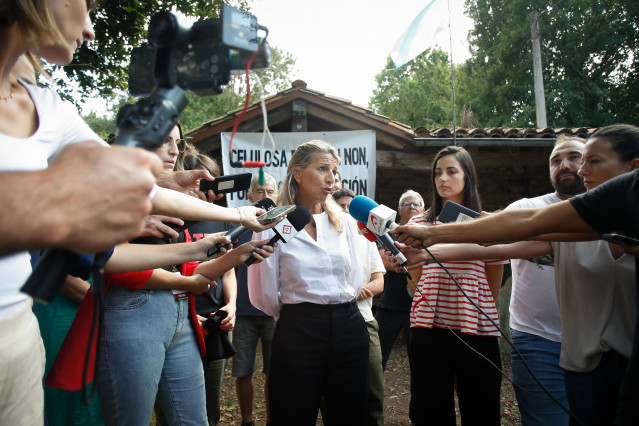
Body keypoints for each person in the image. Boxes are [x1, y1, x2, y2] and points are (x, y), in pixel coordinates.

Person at [392, 124, 639, 426]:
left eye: (592, 160)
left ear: (633, 168)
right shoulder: (582, 219)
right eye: (562, 160)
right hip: (577, 356)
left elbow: (524, 226)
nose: (579, 169)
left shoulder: (606, 207)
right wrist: (427, 249)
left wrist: (432, 237)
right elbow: (500, 243)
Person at [248, 140, 370, 425]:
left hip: (348, 325)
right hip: (298, 328)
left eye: (335, 170)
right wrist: (295, 317)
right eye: (322, 168)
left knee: (349, 413)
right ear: (298, 173)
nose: (331, 178)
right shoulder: (271, 223)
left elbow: (354, 278)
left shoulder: (345, 222)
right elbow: (262, 289)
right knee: (292, 413)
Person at [407, 146, 506, 426]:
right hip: (428, 325)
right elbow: (416, 281)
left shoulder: (488, 223)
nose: (443, 179)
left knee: (481, 406)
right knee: (430, 408)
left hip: (477, 324)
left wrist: (475, 305)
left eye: (451, 171)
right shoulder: (419, 222)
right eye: (437, 173)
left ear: (468, 176)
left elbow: (493, 280)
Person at [505, 135, 585, 426]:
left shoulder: (609, 210)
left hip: (597, 342)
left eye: (573, 157)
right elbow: (491, 241)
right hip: (536, 340)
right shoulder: (524, 209)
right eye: (555, 160)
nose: (564, 165)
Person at [332, 187, 386, 426]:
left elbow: (379, 282)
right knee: (334, 394)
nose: (346, 211)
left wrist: (359, 290)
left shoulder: (367, 239)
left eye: (350, 208)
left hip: (364, 320)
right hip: (331, 324)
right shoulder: (324, 240)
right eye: (340, 206)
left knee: (373, 391)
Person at [233, 172, 278, 426]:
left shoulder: (285, 226)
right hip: (243, 311)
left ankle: (273, 419)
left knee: (274, 370)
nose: (266, 197)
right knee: (243, 370)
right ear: (249, 196)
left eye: (271, 192)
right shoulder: (238, 226)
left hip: (273, 310)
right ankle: (247, 420)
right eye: (260, 192)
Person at [375, 189, 424, 370]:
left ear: (423, 209)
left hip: (419, 308)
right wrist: (418, 259)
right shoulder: (387, 234)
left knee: (421, 363)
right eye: (406, 204)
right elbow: (385, 262)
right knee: (375, 359)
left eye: (416, 204)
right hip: (390, 307)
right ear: (398, 210)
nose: (411, 206)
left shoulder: (430, 234)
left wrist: (400, 259)